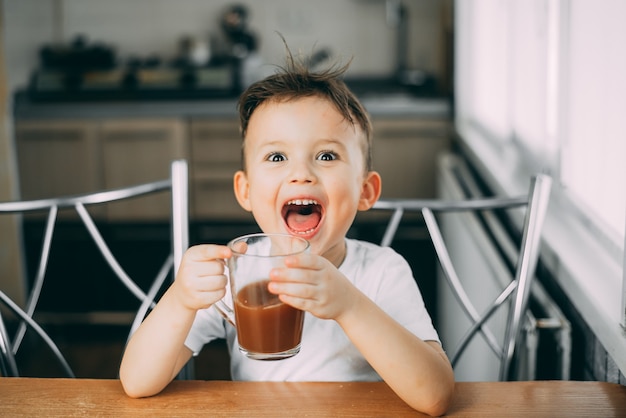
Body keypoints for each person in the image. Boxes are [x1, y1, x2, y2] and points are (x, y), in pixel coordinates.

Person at [119, 47, 455, 416]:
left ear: (365, 191)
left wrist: (350, 304)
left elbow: (435, 396)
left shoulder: (381, 272)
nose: (301, 174)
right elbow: (137, 382)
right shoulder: (237, 276)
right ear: (245, 191)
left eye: (326, 156)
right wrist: (180, 299)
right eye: (277, 157)